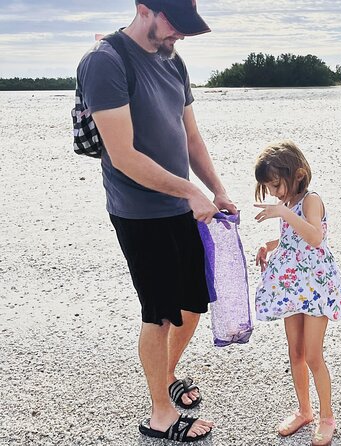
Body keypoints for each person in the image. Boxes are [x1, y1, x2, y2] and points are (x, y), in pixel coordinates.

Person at [76, 0, 237, 442]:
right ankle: (160, 415)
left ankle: (165, 376)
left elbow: (190, 135)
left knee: (191, 305)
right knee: (159, 315)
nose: (180, 36)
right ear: (144, 8)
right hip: (139, 211)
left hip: (180, 206)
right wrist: (190, 192)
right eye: (175, 26)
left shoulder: (173, 61)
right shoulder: (105, 62)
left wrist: (216, 189)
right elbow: (123, 155)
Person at [253, 140, 341, 445]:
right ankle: (304, 410)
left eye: (274, 184)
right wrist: (269, 245)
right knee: (295, 353)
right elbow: (292, 239)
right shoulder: (288, 205)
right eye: (268, 186)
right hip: (294, 285)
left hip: (317, 286)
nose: (272, 192)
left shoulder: (311, 200)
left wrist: (283, 213)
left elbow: (315, 236)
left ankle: (327, 416)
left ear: (297, 173)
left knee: (313, 355)